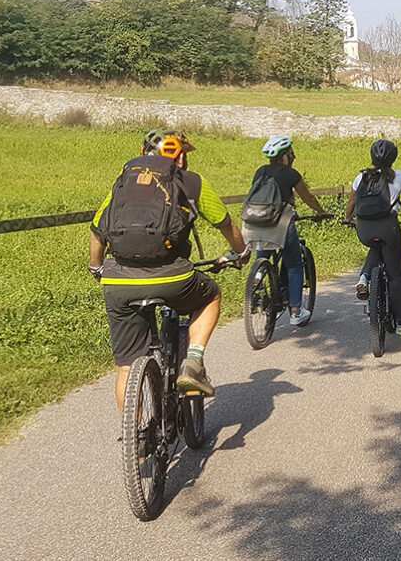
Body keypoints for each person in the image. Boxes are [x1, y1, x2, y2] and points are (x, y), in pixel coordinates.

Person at [89, 129, 247, 409]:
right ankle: (193, 363)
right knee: (210, 295)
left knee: (126, 367)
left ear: (142, 152)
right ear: (181, 157)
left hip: (119, 282)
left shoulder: (124, 183)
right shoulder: (191, 182)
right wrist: (241, 252)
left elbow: (97, 233)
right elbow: (225, 223)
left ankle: (135, 443)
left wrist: (97, 267)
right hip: (173, 278)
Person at [249, 136, 335, 327]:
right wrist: (321, 212)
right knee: (295, 264)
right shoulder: (291, 174)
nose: (293, 156)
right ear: (286, 156)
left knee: (262, 255)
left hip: (256, 222)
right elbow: (308, 197)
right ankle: (296, 311)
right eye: (291, 153)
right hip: (282, 224)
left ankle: (255, 284)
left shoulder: (260, 172)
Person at [345, 139, 401, 335]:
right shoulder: (400, 176)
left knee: (375, 248)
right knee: (394, 275)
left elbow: (352, 203)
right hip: (388, 227)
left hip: (364, 229)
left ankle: (365, 277)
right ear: (393, 158)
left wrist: (348, 219)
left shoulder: (361, 177)